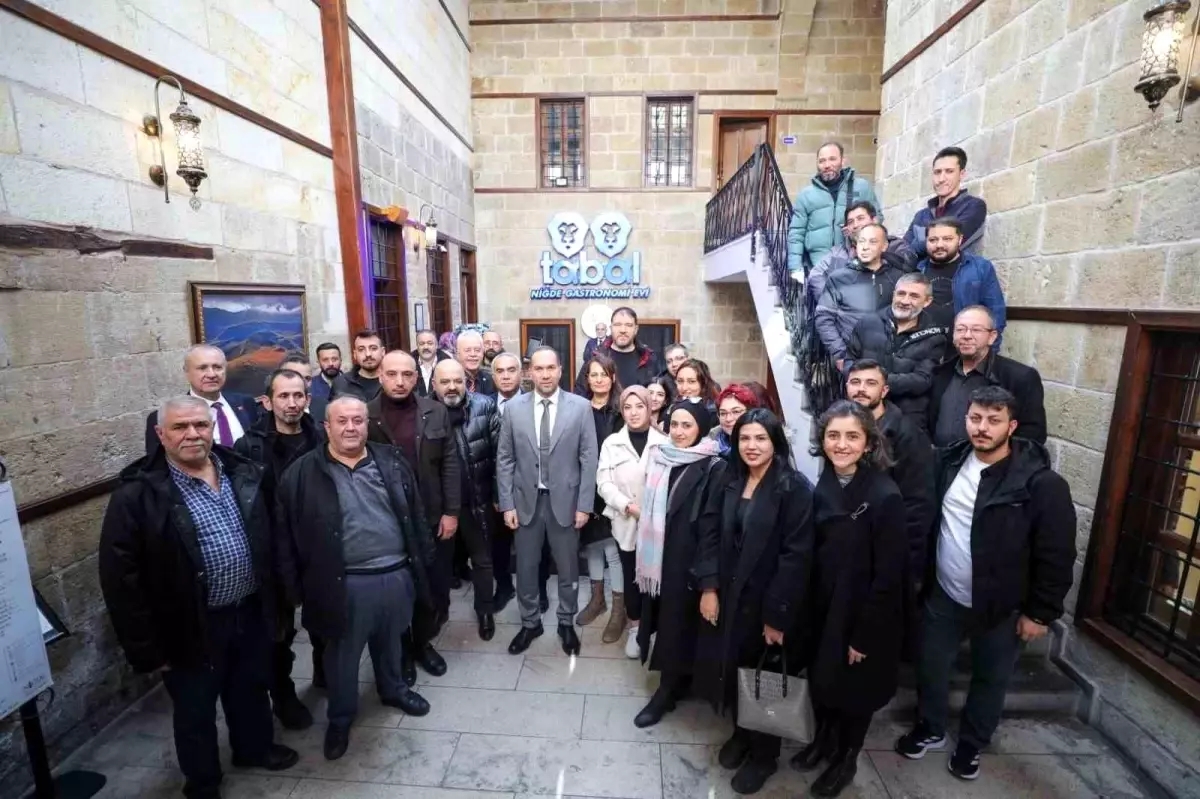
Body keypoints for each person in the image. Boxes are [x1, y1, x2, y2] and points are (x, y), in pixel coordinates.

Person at [101, 396, 299, 799]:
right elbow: (121, 580)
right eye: (180, 427)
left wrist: (280, 602)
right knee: (196, 707)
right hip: (188, 623)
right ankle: (203, 781)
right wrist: (147, 649)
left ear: (212, 428)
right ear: (160, 435)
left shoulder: (243, 472)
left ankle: (253, 748)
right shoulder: (137, 496)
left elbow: (272, 540)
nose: (192, 434)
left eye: (200, 425)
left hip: (248, 609)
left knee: (250, 687)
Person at [896, 387, 1076, 783]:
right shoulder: (947, 463)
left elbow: (1057, 553)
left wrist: (1040, 613)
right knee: (930, 664)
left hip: (1002, 604)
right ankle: (930, 726)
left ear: (1011, 426)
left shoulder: (1040, 484)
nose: (982, 427)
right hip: (945, 593)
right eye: (976, 418)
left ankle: (971, 743)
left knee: (991, 677)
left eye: (994, 420)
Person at [275, 396, 433, 761]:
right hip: (342, 583)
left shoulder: (391, 461)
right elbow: (285, 538)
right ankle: (341, 717)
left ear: (367, 423)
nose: (351, 427)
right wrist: (294, 591)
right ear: (326, 426)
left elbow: (415, 513)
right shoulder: (301, 474)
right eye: (342, 421)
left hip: (395, 574)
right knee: (342, 658)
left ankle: (393, 690)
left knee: (391, 642)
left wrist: (421, 565)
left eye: (358, 420)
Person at [693, 409, 815, 795]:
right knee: (734, 670)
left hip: (767, 602)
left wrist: (776, 616)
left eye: (761, 438)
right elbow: (709, 532)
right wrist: (709, 588)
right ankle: (742, 734)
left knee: (764, 679)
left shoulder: (794, 488)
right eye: (745, 438)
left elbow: (796, 557)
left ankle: (764, 756)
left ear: (775, 442)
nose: (751, 446)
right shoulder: (730, 477)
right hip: (729, 597)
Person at [793, 400, 906, 797]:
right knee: (823, 679)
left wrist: (865, 635)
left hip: (862, 613)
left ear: (869, 443)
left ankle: (846, 759)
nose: (841, 444)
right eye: (833, 435)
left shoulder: (885, 495)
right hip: (826, 607)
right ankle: (823, 741)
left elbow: (890, 575)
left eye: (852, 436)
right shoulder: (827, 480)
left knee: (856, 693)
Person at [233, 369, 324, 730]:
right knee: (278, 634)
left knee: (325, 621)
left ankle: (325, 672)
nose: (292, 403)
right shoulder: (249, 446)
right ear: (268, 402)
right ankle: (283, 697)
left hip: (315, 548)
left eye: (298, 395)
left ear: (308, 399)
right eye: (283, 396)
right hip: (272, 553)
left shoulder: (320, 437)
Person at [497, 347, 599, 656]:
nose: (544, 374)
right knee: (526, 568)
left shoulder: (580, 408)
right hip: (526, 502)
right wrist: (507, 504)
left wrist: (584, 505)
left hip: (566, 502)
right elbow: (505, 459)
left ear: (560, 370)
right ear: (530, 372)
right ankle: (530, 623)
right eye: (538, 369)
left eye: (550, 368)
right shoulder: (513, 409)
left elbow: (589, 459)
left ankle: (566, 622)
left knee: (568, 569)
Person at [631, 401, 726, 729]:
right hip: (660, 559)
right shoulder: (662, 457)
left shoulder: (714, 466)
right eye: (674, 425)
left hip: (689, 562)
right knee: (669, 622)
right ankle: (676, 682)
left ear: (701, 428)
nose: (679, 432)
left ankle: (668, 690)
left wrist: (707, 577)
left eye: (687, 425)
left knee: (678, 626)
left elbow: (712, 524)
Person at [366, 351, 458, 682]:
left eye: (407, 374)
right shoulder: (365, 415)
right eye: (392, 374)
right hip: (386, 520)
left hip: (430, 516)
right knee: (395, 590)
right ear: (380, 376)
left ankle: (422, 643)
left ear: (417, 378)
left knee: (430, 585)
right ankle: (401, 650)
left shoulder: (435, 411)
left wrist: (451, 512)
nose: (400, 381)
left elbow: (450, 462)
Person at [845, 361, 937, 658]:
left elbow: (918, 505)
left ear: (884, 390)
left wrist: (909, 567)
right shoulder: (844, 427)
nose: (861, 389)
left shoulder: (907, 435)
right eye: (855, 382)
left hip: (887, 556)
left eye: (870, 383)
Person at [431, 359, 503, 640]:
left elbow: (500, 455)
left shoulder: (485, 406)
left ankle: (485, 611)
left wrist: (497, 495)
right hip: (440, 506)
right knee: (439, 563)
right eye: (445, 381)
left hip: (478, 499)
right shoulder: (423, 411)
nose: (452, 387)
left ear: (467, 382)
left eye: (457, 381)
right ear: (434, 384)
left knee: (483, 560)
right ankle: (439, 612)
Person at [597, 386, 669, 659]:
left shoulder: (665, 442)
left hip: (657, 526)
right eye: (628, 407)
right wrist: (626, 505)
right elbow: (603, 483)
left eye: (640, 406)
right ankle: (636, 628)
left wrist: (651, 511)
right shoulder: (612, 443)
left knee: (655, 577)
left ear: (650, 408)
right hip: (626, 522)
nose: (634, 413)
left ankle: (657, 629)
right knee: (632, 578)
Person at [846, 273, 948, 433]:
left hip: (907, 420)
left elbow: (923, 380)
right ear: (893, 295)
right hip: (862, 412)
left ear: (927, 301)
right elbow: (849, 362)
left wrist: (877, 382)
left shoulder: (935, 337)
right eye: (901, 293)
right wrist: (863, 385)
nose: (905, 301)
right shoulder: (867, 323)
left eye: (914, 296)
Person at [929, 306, 1046, 447]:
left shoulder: (1020, 377)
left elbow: (1033, 434)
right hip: (940, 458)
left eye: (976, 330)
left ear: (992, 337)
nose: (967, 335)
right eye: (960, 329)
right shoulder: (940, 373)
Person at [574, 356, 627, 634]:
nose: (598, 380)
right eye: (593, 375)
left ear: (613, 377)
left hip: (613, 488)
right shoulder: (578, 409)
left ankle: (619, 608)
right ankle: (598, 600)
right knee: (592, 546)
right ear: (587, 379)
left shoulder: (621, 410)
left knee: (613, 550)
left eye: (603, 374)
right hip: (585, 486)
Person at [815, 223, 908, 373]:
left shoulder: (898, 278)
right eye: (861, 241)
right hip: (853, 360)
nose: (865, 247)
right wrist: (840, 354)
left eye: (872, 242)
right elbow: (823, 318)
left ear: (884, 246)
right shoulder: (839, 278)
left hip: (890, 360)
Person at [787, 141, 882, 278]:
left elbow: (877, 219)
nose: (827, 165)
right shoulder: (805, 195)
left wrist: (859, 230)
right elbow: (796, 232)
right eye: (822, 161)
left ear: (842, 161)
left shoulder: (861, 187)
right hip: (818, 268)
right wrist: (795, 267)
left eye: (832, 159)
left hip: (857, 265)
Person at [144, 344, 258, 454]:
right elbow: (157, 462)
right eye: (202, 368)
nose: (211, 374)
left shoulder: (245, 403)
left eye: (217, 367)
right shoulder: (165, 417)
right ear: (187, 372)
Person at [808, 200, 915, 309]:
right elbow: (815, 276)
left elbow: (908, 267)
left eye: (860, 218)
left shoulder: (895, 245)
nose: (855, 225)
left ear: (874, 220)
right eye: (850, 222)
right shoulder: (837, 253)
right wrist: (832, 302)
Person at [917, 217, 1006, 342]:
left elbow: (996, 311)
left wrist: (990, 348)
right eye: (933, 240)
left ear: (960, 240)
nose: (939, 245)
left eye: (947, 239)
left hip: (966, 346)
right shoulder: (917, 269)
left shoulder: (980, 268)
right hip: (924, 346)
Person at [903, 147, 988, 259]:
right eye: (937, 172)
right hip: (920, 270)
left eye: (949, 171)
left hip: (959, 270)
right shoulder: (921, 216)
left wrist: (916, 245)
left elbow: (948, 246)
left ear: (961, 174)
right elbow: (902, 251)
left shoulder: (973, 206)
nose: (941, 179)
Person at [490, 351, 525, 607]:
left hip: (530, 489)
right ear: (492, 376)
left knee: (534, 548)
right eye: (500, 371)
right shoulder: (482, 405)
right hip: (494, 491)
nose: (505, 376)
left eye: (511, 370)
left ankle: (537, 590)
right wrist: (495, 493)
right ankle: (503, 587)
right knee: (498, 546)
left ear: (521, 374)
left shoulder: (536, 403)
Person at [575, 307, 665, 390]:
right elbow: (580, 392)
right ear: (611, 328)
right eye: (617, 325)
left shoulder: (648, 358)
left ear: (636, 329)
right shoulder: (596, 357)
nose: (623, 330)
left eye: (628, 325)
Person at [331, 330, 384, 402]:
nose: (368, 354)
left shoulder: (393, 381)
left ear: (383, 352)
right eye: (361, 350)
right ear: (355, 354)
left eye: (373, 348)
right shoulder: (340, 383)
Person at [711, 383, 760, 457]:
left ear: (750, 412)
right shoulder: (709, 442)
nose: (728, 419)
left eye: (736, 412)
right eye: (723, 413)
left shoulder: (764, 442)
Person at [456, 330, 497, 396]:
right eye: (467, 350)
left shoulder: (491, 381)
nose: (473, 354)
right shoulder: (450, 380)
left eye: (477, 350)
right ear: (458, 354)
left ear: (483, 353)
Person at [412, 329, 450, 398]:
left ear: (436, 345)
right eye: (422, 344)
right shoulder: (409, 365)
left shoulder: (448, 364)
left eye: (430, 343)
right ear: (417, 346)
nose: (426, 347)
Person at [311, 343, 343, 422]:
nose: (331, 364)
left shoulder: (353, 383)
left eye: (334, 359)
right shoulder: (310, 386)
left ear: (340, 360)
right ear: (318, 362)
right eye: (325, 360)